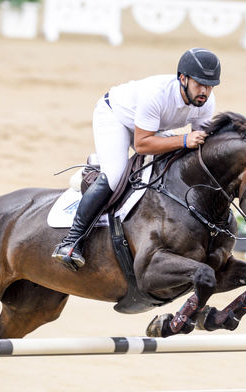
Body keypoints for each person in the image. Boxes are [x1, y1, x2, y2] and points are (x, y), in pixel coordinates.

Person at [52, 47, 221, 271]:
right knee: (115, 174)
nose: (205, 91)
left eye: (210, 86)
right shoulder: (157, 94)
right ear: (183, 78)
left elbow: (198, 145)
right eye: (200, 84)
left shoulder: (206, 102)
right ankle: (71, 242)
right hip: (116, 117)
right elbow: (142, 144)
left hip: (152, 127)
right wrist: (183, 140)